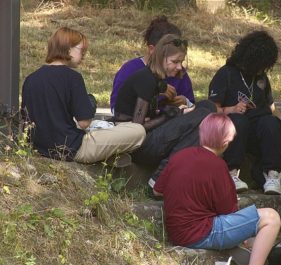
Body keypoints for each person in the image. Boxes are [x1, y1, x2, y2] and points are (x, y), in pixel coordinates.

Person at [154, 113, 281, 265]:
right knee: (271, 217)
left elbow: (157, 190)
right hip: (201, 232)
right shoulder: (218, 166)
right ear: (225, 143)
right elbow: (229, 211)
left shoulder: (179, 156)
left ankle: (249, 256)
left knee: (253, 236)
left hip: (177, 232)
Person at [21, 27, 145, 165]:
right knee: (138, 130)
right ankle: (109, 156)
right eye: (82, 50)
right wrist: (90, 103)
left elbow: (27, 119)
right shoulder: (72, 77)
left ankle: (109, 157)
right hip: (71, 149)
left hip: (39, 148)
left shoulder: (31, 79)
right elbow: (84, 122)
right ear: (68, 48)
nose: (84, 55)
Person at [114, 33, 216, 186]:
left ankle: (165, 176)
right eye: (175, 62)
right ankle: (162, 176)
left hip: (148, 138)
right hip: (138, 146)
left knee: (207, 107)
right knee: (203, 115)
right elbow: (136, 128)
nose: (179, 67)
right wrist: (173, 115)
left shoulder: (157, 79)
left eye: (181, 62)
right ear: (161, 57)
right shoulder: (146, 79)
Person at [208, 30, 281, 194]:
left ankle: (272, 175)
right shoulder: (226, 74)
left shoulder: (261, 78)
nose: (263, 69)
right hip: (233, 131)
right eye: (262, 64)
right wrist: (231, 109)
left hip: (258, 132)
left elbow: (271, 108)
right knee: (239, 121)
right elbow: (210, 109)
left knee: (270, 122)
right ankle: (231, 173)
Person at [110, 15, 194, 113]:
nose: (179, 66)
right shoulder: (130, 70)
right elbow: (116, 109)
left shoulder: (179, 72)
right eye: (174, 60)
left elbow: (192, 107)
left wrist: (186, 102)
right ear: (152, 50)